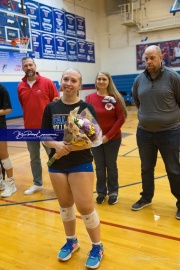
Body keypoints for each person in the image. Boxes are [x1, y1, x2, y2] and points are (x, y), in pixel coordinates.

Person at [42, 68, 104, 269]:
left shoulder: (84, 108)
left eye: (73, 80)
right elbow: (44, 136)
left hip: (80, 163)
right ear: (61, 82)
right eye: (65, 79)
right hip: (57, 164)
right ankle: (72, 241)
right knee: (65, 206)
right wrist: (57, 146)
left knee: (85, 207)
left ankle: (97, 246)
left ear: (80, 84)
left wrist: (71, 146)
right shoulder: (51, 108)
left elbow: (94, 139)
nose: (69, 83)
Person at [131, 45, 180, 220]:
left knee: (174, 169)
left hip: (170, 132)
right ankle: (146, 197)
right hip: (144, 133)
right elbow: (137, 100)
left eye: (152, 58)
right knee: (146, 168)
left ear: (161, 58)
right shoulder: (139, 79)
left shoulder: (173, 78)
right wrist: (147, 117)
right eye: (146, 59)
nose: (148, 62)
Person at [17, 57, 59, 195]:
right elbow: (24, 107)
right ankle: (37, 183)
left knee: (53, 156)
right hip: (30, 129)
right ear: (22, 68)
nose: (29, 67)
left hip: (47, 128)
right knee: (34, 158)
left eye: (30, 65)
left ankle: (59, 184)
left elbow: (56, 103)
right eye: (25, 65)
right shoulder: (20, 86)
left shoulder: (47, 82)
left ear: (35, 66)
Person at [86, 71, 127, 205]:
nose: (101, 81)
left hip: (113, 139)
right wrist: (94, 136)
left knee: (111, 165)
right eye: (99, 79)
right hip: (95, 139)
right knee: (99, 166)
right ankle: (101, 192)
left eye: (104, 79)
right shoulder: (90, 98)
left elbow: (121, 118)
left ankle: (113, 192)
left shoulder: (115, 97)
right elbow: (86, 118)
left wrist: (108, 136)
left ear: (109, 81)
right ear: (96, 81)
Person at [0, 84, 17, 197]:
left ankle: (11, 184)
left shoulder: (2, 89)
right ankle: (1, 183)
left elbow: (8, 109)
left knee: (3, 154)